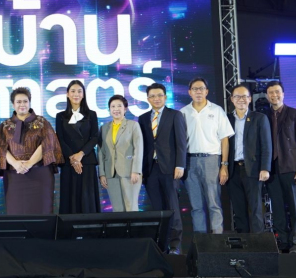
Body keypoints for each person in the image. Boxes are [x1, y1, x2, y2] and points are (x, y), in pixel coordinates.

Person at [0, 87, 63, 214]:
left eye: (25, 101)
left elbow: (47, 144)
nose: (22, 104)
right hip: (14, 175)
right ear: (13, 104)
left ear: (29, 103)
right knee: (16, 212)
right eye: (18, 102)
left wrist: (29, 163)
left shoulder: (42, 122)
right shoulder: (5, 126)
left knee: (42, 211)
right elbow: (0, 147)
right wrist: (16, 164)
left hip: (40, 173)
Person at [180, 78, 234, 234]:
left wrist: (224, 165)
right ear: (189, 92)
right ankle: (201, 241)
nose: (198, 91)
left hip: (211, 160)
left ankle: (217, 239)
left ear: (207, 91)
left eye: (201, 88)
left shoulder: (216, 110)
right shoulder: (183, 112)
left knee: (213, 203)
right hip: (189, 161)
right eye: (195, 89)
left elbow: (225, 139)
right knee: (196, 205)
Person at [139, 83, 187, 254]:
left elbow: (181, 142)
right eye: (152, 96)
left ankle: (175, 245)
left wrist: (180, 164)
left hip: (170, 168)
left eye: (159, 95)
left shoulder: (175, 115)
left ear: (165, 97)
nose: (156, 98)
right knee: (158, 209)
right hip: (150, 169)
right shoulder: (143, 118)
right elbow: (142, 146)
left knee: (172, 207)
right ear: (148, 99)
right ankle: (161, 245)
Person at [264, 81, 296, 253]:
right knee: (277, 207)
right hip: (271, 168)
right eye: (271, 92)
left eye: (277, 92)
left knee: (295, 207)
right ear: (267, 95)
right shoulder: (264, 116)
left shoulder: (294, 113)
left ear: (283, 94)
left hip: (291, 167)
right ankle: (282, 242)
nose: (274, 95)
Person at [227, 84, 272, 234]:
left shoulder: (259, 118)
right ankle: (244, 243)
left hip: (253, 170)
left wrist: (265, 168)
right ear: (232, 99)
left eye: (244, 96)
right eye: (237, 96)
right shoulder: (226, 119)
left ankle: (258, 243)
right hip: (232, 170)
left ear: (250, 99)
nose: (241, 99)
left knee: (255, 208)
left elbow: (266, 145)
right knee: (238, 210)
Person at [55, 80, 100, 214]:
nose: (76, 94)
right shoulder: (60, 116)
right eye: (73, 91)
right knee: (69, 198)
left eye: (79, 91)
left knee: (87, 198)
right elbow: (60, 139)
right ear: (67, 94)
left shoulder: (91, 114)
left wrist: (81, 154)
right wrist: (73, 158)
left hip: (87, 161)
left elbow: (95, 137)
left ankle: (89, 226)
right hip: (68, 163)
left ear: (83, 94)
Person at [98, 94, 144, 212]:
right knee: (117, 209)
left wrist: (136, 171)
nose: (116, 109)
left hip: (130, 172)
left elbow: (138, 149)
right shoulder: (104, 128)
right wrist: (102, 174)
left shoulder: (133, 125)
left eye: (119, 106)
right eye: (113, 106)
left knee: (131, 207)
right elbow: (101, 152)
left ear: (125, 109)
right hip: (111, 173)